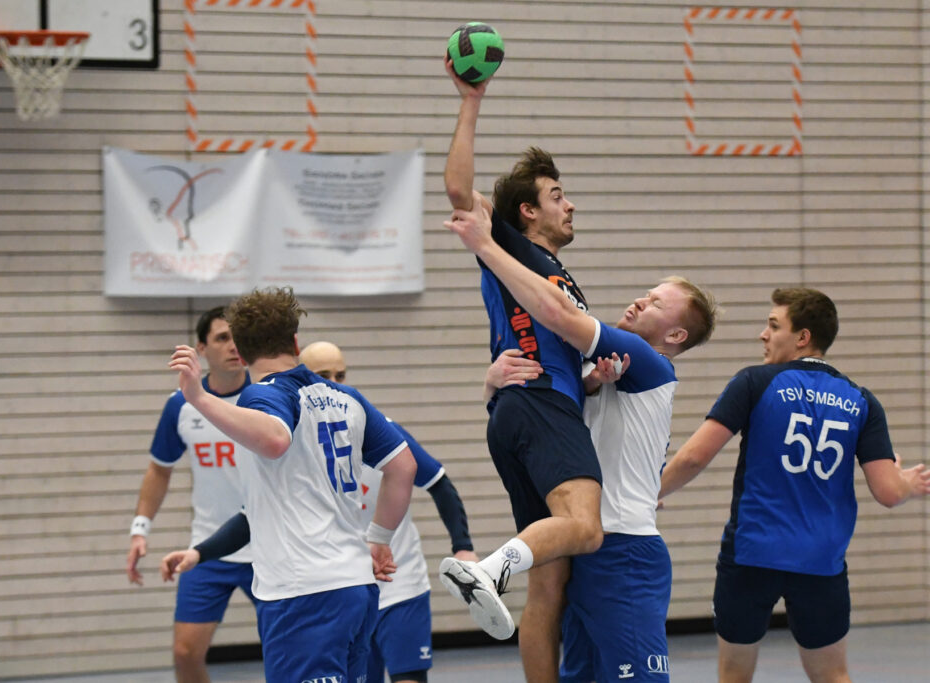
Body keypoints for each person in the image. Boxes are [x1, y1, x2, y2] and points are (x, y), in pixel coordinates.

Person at [449, 204, 718, 682]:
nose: (640, 302)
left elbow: (556, 312)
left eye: (657, 304)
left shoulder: (649, 362)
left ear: (676, 334)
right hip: (582, 552)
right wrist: (492, 384)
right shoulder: (594, 377)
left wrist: (486, 246)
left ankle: (492, 570)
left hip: (625, 553)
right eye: (646, 294)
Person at [658, 287, 930, 683]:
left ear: (803, 337)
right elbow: (889, 493)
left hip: (753, 553)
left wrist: (650, 493)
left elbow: (693, 457)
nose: (763, 334)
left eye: (774, 326)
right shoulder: (862, 401)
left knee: (734, 675)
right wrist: (906, 482)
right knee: (832, 675)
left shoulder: (754, 382)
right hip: (821, 560)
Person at [157, 286, 417, 683]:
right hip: (357, 588)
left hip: (303, 593)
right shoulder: (347, 397)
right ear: (295, 343)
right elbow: (403, 466)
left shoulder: (264, 393)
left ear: (242, 354)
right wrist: (380, 537)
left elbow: (275, 439)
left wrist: (198, 397)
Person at [439, 56, 604, 680]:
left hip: (523, 410)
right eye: (557, 195)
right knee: (585, 527)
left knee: (549, 587)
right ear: (528, 212)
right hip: (540, 406)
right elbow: (461, 195)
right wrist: (471, 100)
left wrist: (592, 379)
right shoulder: (510, 246)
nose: (571, 204)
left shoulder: (558, 274)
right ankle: (486, 570)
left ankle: (496, 574)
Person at [299, 341, 479, 683]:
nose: (335, 384)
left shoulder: (378, 429)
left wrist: (463, 546)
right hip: (346, 586)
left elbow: (439, 483)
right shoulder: (294, 442)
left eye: (341, 375)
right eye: (324, 376)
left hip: (400, 582)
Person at [124, 306, 256, 683]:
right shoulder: (181, 404)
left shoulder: (267, 397)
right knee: (185, 654)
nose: (233, 346)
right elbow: (159, 469)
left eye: (238, 337)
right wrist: (140, 529)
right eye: (222, 338)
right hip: (209, 547)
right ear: (201, 348)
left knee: (290, 654)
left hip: (268, 548)